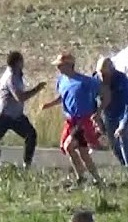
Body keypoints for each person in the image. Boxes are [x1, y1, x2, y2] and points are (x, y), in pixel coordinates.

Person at [41, 53, 103, 187]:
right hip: (70, 121)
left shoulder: (86, 82)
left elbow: (104, 93)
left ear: (69, 65)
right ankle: (92, 178)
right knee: (82, 152)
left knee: (68, 146)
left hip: (83, 121)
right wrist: (49, 104)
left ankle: (83, 176)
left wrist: (98, 112)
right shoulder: (61, 80)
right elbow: (63, 97)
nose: (58, 68)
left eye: (60, 65)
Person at [0, 51, 43, 169]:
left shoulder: (15, 74)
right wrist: (37, 89)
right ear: (18, 62)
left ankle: (27, 165)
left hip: (15, 115)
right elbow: (20, 97)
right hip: (2, 117)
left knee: (31, 135)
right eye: (22, 61)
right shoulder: (10, 77)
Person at [96, 57, 128, 168]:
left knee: (123, 136)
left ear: (112, 71)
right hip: (108, 113)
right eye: (101, 75)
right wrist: (97, 119)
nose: (103, 78)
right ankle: (124, 164)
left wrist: (124, 123)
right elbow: (92, 99)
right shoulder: (95, 79)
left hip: (122, 112)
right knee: (113, 142)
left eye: (105, 75)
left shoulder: (122, 79)